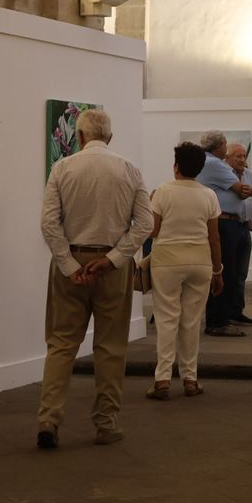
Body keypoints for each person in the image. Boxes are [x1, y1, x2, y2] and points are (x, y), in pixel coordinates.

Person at [37, 109, 152, 449]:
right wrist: (114, 259)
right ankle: (106, 423)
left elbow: (49, 223)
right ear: (110, 137)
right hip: (112, 268)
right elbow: (145, 224)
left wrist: (69, 264)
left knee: (61, 344)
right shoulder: (129, 170)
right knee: (111, 347)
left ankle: (49, 419)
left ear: (80, 137)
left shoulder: (62, 168)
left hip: (71, 262)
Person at [147, 143, 222, 400]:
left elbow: (153, 230)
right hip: (200, 260)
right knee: (191, 321)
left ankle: (162, 379)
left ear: (176, 166)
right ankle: (190, 378)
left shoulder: (162, 191)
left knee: (167, 319)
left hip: (166, 260)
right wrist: (218, 270)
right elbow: (214, 238)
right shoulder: (209, 195)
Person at [196, 131, 250, 339]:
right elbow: (242, 190)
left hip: (225, 222)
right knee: (223, 272)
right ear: (219, 146)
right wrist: (243, 190)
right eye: (225, 144)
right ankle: (218, 321)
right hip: (225, 223)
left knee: (227, 271)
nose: (226, 148)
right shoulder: (215, 164)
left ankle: (222, 317)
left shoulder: (208, 162)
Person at [226, 142, 252, 327]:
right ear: (227, 158)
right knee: (229, 271)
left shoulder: (248, 174)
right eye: (238, 156)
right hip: (229, 225)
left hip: (244, 227)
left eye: (243, 156)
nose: (242, 159)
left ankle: (237, 311)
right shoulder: (225, 175)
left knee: (241, 272)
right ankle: (224, 312)